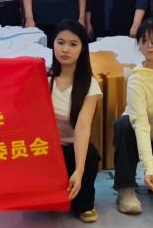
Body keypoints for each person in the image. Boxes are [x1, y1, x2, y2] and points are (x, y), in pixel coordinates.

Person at [113, 19, 153, 215]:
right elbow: (141, 125)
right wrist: (149, 169)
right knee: (124, 124)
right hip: (140, 135)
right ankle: (125, 189)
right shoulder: (137, 79)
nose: (150, 45)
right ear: (138, 44)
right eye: (144, 40)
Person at [49, 19, 102, 223]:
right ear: (53, 44)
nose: (65, 49)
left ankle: (83, 203)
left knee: (89, 156)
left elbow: (82, 127)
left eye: (73, 44)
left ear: (82, 49)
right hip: (47, 149)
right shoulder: (44, 77)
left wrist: (79, 171)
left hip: (74, 148)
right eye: (60, 42)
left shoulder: (90, 85)